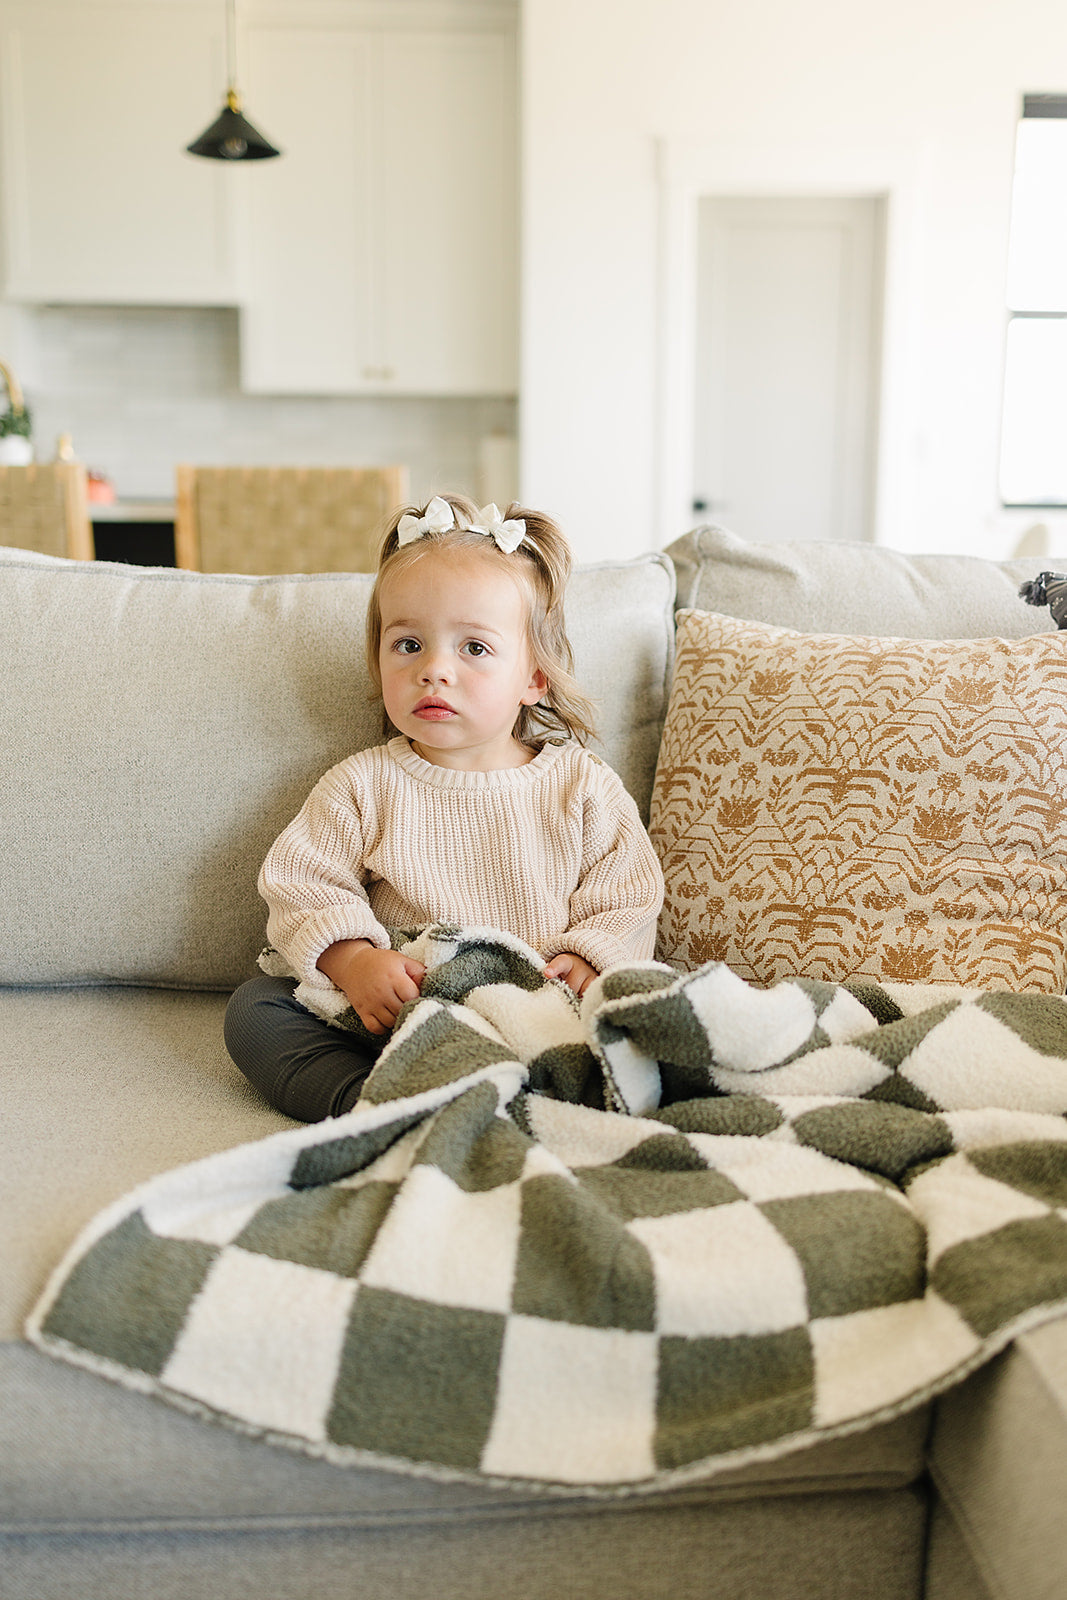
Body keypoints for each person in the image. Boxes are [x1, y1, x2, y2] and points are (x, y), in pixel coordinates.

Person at [224, 492, 664, 1121]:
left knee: (646, 1016)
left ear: (534, 676)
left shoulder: (582, 786)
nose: (435, 671)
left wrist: (589, 957)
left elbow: (629, 894)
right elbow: (302, 885)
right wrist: (356, 962)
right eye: (408, 645)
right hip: (403, 1016)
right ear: (378, 661)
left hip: (535, 1011)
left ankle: (526, 1098)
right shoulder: (363, 784)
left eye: (474, 649)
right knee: (255, 1010)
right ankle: (372, 1107)